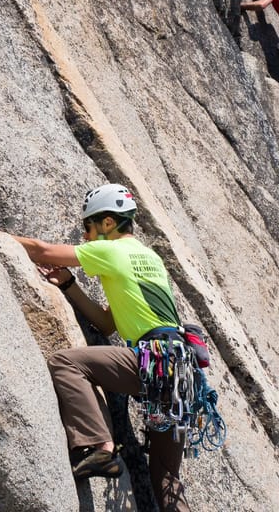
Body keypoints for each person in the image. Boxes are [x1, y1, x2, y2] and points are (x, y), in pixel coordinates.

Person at [11, 183, 190, 511]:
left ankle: (99, 446)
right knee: (166, 477)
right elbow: (108, 324)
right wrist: (68, 285)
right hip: (179, 370)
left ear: (108, 223)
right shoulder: (149, 258)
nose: (86, 236)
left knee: (66, 363)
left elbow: (40, 250)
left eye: (89, 227)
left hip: (153, 357)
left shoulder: (112, 250)